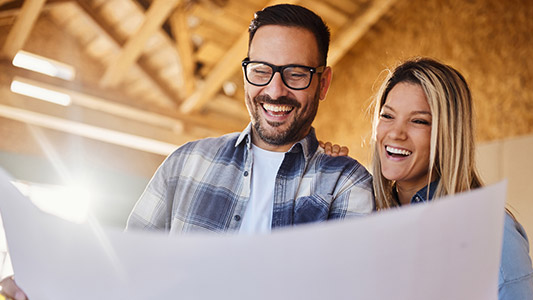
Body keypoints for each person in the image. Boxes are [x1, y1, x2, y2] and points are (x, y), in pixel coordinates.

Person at [0, 4, 374, 298]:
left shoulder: (347, 184)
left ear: (322, 83)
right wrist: (53, 286)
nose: (274, 91)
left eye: (295, 74)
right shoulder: (186, 164)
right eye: (261, 70)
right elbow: (125, 271)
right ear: (246, 72)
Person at [369, 57, 533, 299]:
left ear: (448, 134)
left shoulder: (492, 231)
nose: (395, 133)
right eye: (387, 116)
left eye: (418, 121)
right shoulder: (365, 215)